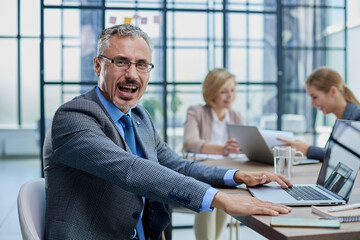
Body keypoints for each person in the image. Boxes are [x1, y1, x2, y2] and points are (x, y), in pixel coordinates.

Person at [43, 24, 292, 240]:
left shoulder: (140, 117)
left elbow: (178, 166)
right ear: (98, 66)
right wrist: (218, 198)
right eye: (120, 62)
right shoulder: (73, 117)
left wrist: (236, 175)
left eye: (141, 65)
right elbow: (129, 169)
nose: (132, 74)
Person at [183, 68, 244, 239]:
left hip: (225, 175)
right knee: (208, 196)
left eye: (232, 90)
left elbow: (245, 146)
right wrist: (222, 149)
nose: (229, 95)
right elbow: (190, 142)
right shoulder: (196, 111)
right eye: (223, 91)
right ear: (211, 93)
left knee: (225, 196)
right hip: (200, 174)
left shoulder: (235, 116)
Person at [277, 67, 360, 161]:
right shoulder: (342, 118)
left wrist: (308, 150)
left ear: (333, 91)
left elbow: (349, 157)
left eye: (315, 97)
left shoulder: (357, 117)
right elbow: (331, 153)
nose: (312, 104)